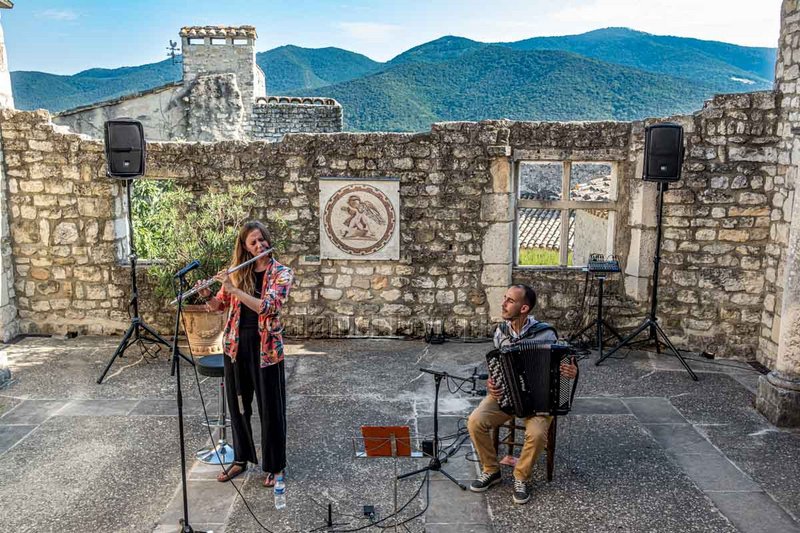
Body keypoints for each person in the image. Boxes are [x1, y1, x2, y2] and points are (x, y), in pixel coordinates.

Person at [196, 220, 294, 488]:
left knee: (270, 410)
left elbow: (268, 307)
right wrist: (207, 295)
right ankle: (240, 458)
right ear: (245, 248)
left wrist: (235, 289)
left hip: (267, 351)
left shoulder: (281, 273)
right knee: (238, 407)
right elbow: (219, 305)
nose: (260, 245)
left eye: (262, 240)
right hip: (236, 348)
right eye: (253, 242)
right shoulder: (238, 273)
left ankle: (276, 466)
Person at [467, 284, 578, 505]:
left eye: (510, 300)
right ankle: (491, 470)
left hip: (541, 401)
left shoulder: (546, 333)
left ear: (524, 308)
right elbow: (495, 366)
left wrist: (571, 371)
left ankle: (521, 476)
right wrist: (493, 382)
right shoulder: (501, 332)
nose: (503, 303)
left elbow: (564, 368)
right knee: (475, 421)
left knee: (536, 434)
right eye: (505, 298)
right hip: (507, 396)